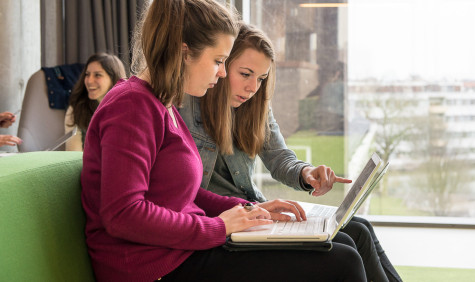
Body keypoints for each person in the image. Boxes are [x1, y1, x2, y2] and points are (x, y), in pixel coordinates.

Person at [81, 1, 366, 281]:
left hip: (181, 250)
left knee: (347, 244)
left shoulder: (161, 103)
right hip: (153, 266)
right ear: (184, 53)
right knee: (343, 261)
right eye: (218, 61)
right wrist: (218, 226)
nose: (221, 71)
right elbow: (123, 214)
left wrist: (248, 210)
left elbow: (184, 195)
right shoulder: (131, 106)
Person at [179, 23, 402, 282]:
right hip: (230, 222)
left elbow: (279, 158)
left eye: (261, 79)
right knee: (346, 250)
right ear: (223, 64)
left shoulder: (256, 107)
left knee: (361, 228)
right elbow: (185, 194)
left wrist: (307, 173)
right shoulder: (186, 106)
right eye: (245, 74)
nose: (253, 88)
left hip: (256, 212)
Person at [64, 53, 126, 151]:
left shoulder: (127, 109)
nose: (89, 81)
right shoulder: (76, 110)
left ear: (113, 78)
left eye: (97, 75)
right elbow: (73, 155)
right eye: (87, 74)